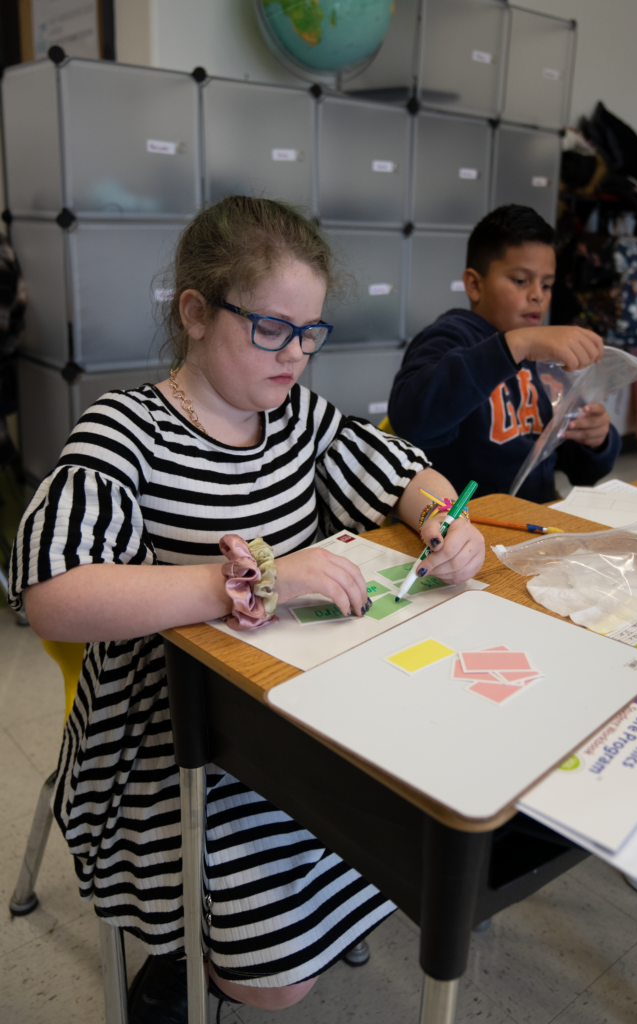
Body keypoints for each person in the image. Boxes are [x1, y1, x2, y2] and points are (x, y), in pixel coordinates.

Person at [8, 196, 485, 1021]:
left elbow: (398, 468)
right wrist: (248, 580)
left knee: (404, 831)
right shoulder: (127, 432)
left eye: (310, 333)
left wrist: (444, 516)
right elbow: (52, 596)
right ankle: (176, 958)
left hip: (295, 705)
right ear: (195, 312)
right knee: (276, 982)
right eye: (271, 329)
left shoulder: (293, 417)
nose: (295, 356)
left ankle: (259, 930)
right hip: (172, 738)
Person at [389, 205, 622, 503]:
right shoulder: (448, 338)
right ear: (474, 285)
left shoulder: (545, 357)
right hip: (466, 528)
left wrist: (597, 440)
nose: (538, 295)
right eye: (521, 281)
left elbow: (582, 471)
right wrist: (514, 345)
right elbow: (412, 420)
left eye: (547, 284)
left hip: (534, 519)